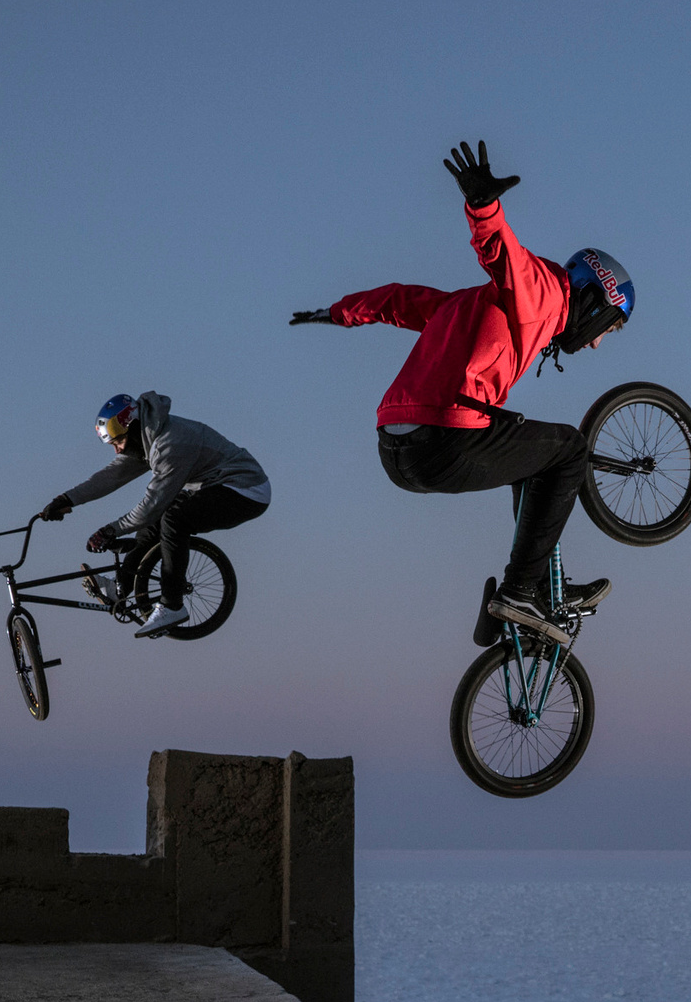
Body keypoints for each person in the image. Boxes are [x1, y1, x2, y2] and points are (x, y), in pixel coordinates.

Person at [291, 140, 632, 644]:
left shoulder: (469, 304)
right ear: (598, 303)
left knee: (530, 448)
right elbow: (502, 253)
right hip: (443, 439)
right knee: (569, 449)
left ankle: (536, 589)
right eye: (609, 328)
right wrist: (483, 205)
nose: (598, 343)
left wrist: (337, 312)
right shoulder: (545, 291)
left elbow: (398, 300)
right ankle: (519, 590)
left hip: (394, 449)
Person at [38, 392, 269, 638]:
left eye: (118, 442)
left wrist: (111, 530)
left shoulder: (170, 444)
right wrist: (67, 499)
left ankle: (172, 605)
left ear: (132, 426)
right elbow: (112, 476)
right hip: (209, 486)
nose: (117, 450)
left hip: (246, 489)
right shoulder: (147, 437)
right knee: (153, 525)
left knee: (174, 519)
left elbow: (151, 505)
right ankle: (121, 587)